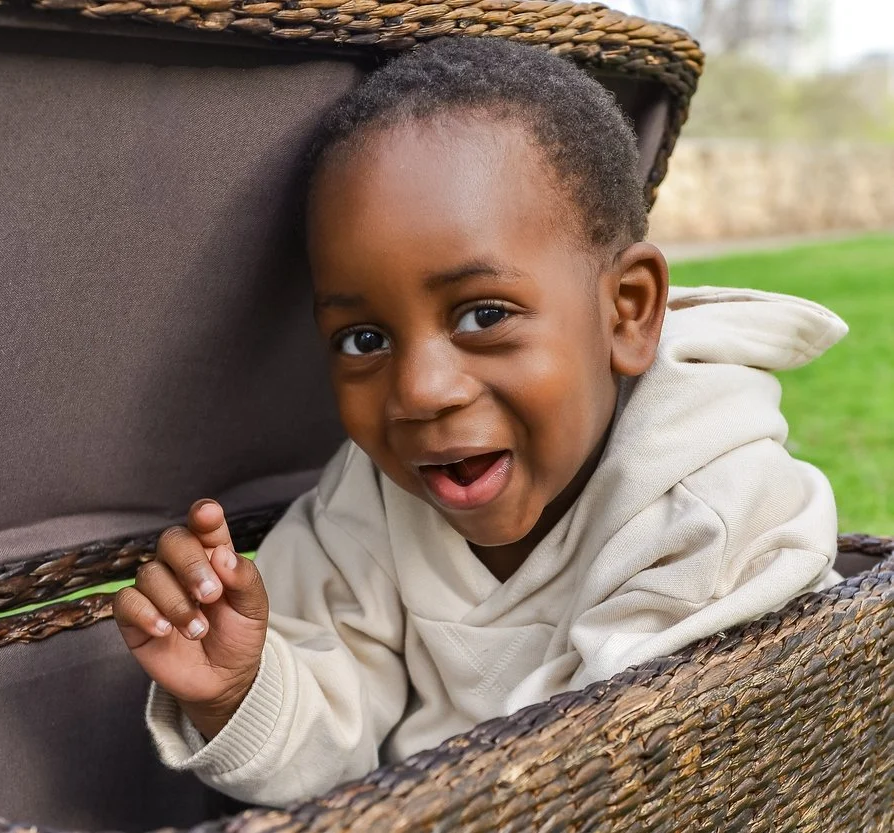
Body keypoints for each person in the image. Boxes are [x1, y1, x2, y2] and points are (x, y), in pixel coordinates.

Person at [112, 37, 846, 808]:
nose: (421, 392)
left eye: (484, 314)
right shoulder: (366, 503)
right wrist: (243, 689)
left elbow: (617, 782)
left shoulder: (711, 508)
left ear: (626, 310)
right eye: (365, 340)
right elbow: (330, 727)